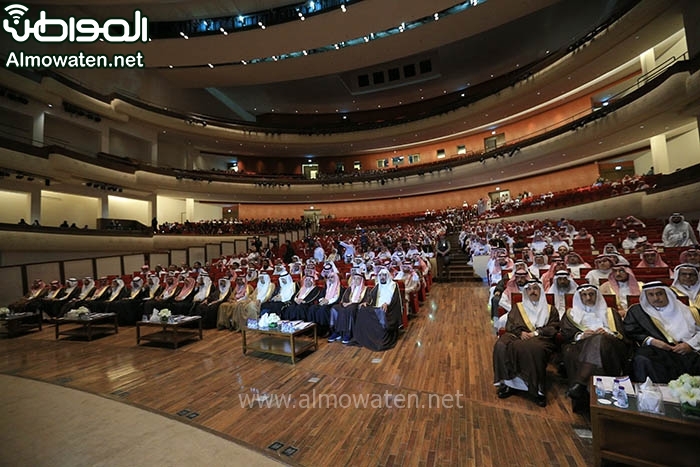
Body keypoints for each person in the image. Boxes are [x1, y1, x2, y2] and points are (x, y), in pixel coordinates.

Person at [559, 284, 631, 409]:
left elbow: (621, 335)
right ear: (579, 297)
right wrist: (581, 335)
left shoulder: (611, 313)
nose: (588, 298)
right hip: (581, 345)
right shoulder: (571, 314)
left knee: (599, 339)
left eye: (591, 294)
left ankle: (581, 383)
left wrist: (607, 333)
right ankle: (599, 399)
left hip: (610, 345)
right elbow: (566, 334)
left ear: (597, 295)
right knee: (594, 343)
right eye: (584, 295)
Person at [492, 279, 560, 407]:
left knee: (533, 348)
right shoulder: (518, 307)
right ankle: (508, 384)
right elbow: (510, 324)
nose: (532, 291)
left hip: (541, 338)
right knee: (501, 345)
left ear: (540, 291)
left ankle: (536, 389)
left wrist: (536, 333)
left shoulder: (551, 309)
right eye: (529, 289)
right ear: (525, 292)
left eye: (535, 288)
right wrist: (520, 333)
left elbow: (554, 327)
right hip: (518, 335)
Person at [623, 281, 700, 383]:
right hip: (656, 350)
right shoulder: (637, 311)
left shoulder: (690, 311)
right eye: (651, 295)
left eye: (659, 294)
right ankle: (652, 391)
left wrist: (690, 345)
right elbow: (631, 331)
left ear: (667, 294)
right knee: (642, 359)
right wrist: (652, 341)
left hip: (687, 351)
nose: (656, 298)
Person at [351, 268, 403, 351]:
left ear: (388, 276)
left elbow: (395, 300)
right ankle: (363, 336)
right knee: (362, 309)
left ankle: (380, 339)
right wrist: (366, 302)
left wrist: (387, 304)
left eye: (384, 275)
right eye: (380, 275)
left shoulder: (393, 285)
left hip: (389, 309)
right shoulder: (378, 285)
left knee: (382, 312)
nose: (382, 277)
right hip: (376, 307)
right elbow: (371, 296)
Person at [329, 273, 368, 344]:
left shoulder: (366, 289)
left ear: (362, 280)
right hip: (348, 305)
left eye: (358, 279)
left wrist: (352, 303)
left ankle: (348, 333)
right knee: (334, 308)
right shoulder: (350, 289)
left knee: (350, 309)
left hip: (357, 306)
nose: (355, 280)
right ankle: (337, 332)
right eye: (354, 278)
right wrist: (344, 303)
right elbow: (344, 299)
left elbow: (367, 300)